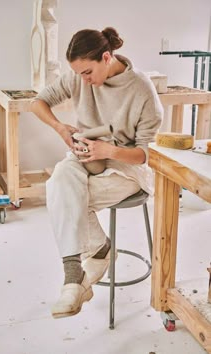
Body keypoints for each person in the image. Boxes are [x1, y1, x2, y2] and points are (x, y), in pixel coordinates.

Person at [30, 27, 163, 318]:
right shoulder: (80, 77)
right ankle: (75, 272)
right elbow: (37, 103)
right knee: (61, 178)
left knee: (64, 193)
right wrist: (60, 127)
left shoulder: (142, 89)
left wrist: (109, 151)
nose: (83, 80)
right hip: (86, 158)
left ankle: (94, 258)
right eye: (78, 74)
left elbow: (147, 154)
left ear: (106, 57)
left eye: (87, 73)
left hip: (128, 168)